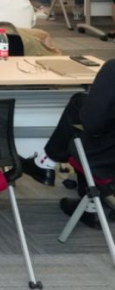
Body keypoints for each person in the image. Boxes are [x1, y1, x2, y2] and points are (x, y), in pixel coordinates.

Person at [20, 59, 115, 229]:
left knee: (81, 110)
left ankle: (46, 163)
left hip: (103, 161)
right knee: (82, 103)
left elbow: (92, 124)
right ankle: (45, 162)